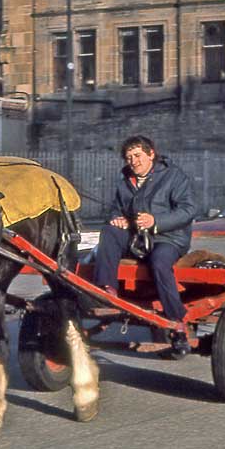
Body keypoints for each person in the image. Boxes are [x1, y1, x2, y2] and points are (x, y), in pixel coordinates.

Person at [94, 135, 198, 357]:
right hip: (136, 238)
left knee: (159, 263)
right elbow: (116, 209)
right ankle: (107, 292)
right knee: (109, 232)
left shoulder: (173, 176)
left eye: (138, 155)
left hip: (168, 238)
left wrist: (156, 221)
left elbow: (188, 210)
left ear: (151, 154)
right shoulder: (125, 181)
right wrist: (117, 219)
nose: (133, 161)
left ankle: (177, 322)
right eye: (129, 157)